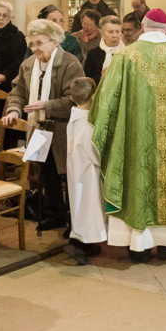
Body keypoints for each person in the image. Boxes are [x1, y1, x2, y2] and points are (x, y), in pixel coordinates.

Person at [90, 8, 166, 261]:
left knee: (136, 180)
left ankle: (138, 245)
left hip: (134, 144)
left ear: (143, 27)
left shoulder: (125, 57)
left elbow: (105, 101)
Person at [4, 18, 85, 231]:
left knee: (67, 176)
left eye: (39, 43)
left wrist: (47, 105)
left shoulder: (69, 63)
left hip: (63, 129)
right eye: (32, 44)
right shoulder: (28, 64)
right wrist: (13, 109)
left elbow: (76, 99)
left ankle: (75, 220)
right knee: (46, 173)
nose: (35, 49)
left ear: (54, 41)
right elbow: (17, 92)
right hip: (39, 129)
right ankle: (54, 213)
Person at [64, 76, 105, 264]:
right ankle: (83, 245)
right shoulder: (88, 123)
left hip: (76, 171)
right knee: (89, 208)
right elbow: (94, 152)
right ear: (94, 95)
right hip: (88, 172)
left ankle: (82, 240)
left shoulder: (73, 116)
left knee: (79, 205)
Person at [83, 15, 125, 84]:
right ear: (102, 33)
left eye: (117, 31)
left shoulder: (128, 52)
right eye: (110, 32)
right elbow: (87, 81)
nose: (115, 35)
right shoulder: (93, 54)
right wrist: (102, 76)